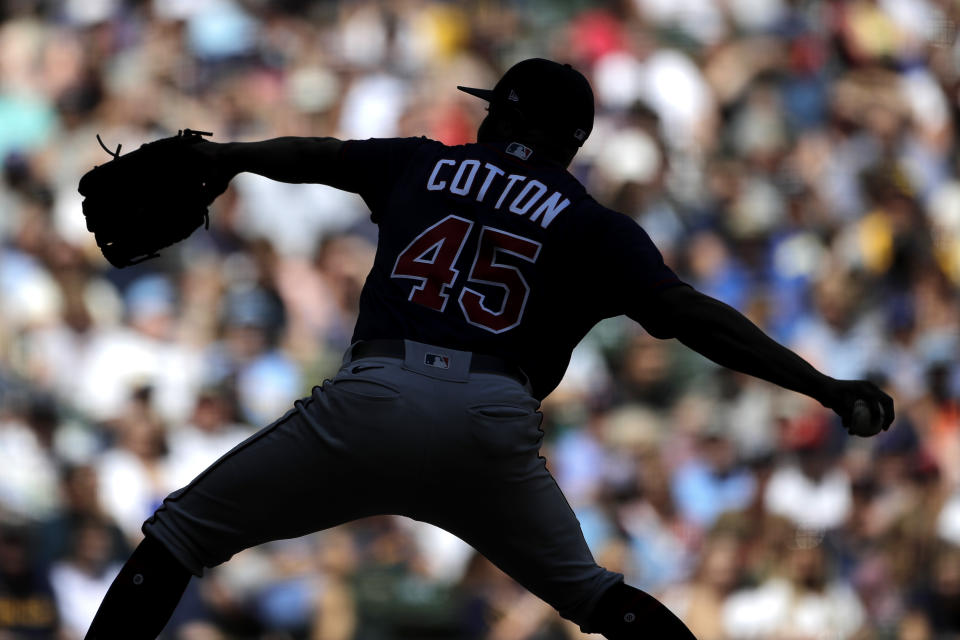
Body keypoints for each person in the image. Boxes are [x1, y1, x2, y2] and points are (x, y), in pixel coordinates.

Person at [83, 58, 894, 639]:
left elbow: (319, 156)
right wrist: (822, 386)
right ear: (570, 143)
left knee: (177, 540)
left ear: (504, 116)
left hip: (377, 397)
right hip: (490, 425)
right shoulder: (591, 225)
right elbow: (695, 317)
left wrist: (231, 157)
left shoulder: (421, 164)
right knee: (602, 602)